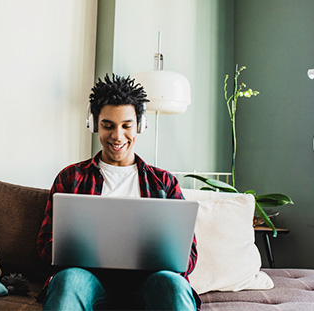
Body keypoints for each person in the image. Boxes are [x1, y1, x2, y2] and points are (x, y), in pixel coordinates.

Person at [36, 74, 200, 310]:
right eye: (108, 125)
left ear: (140, 125)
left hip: (150, 284)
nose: (117, 136)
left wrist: (160, 255)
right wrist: (73, 249)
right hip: (88, 281)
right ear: (93, 124)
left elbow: (189, 256)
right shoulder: (70, 178)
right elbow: (44, 247)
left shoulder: (164, 183)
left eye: (126, 125)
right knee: (68, 280)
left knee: (173, 284)